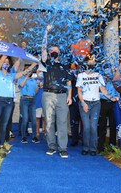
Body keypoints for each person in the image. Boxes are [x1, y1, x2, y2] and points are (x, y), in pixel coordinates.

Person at [0, 54, 36, 156]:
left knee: (4, 125)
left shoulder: (11, 75)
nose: (5, 64)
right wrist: (6, 52)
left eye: (7, 63)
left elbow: (25, 72)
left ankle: (1, 145)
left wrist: (33, 64)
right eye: (4, 62)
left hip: (9, 102)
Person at [77, 56, 119, 156]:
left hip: (96, 103)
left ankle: (93, 148)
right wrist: (83, 103)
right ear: (86, 65)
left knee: (93, 126)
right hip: (85, 103)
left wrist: (110, 97)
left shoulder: (98, 75)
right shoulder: (81, 76)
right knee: (86, 127)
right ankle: (85, 147)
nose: (92, 65)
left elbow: (102, 89)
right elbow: (79, 91)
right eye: (90, 63)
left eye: (93, 63)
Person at [41, 24, 72, 158]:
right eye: (51, 50)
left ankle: (63, 148)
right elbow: (42, 49)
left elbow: (69, 82)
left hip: (61, 96)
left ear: (59, 53)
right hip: (48, 94)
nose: (53, 52)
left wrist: (69, 96)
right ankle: (51, 146)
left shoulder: (64, 66)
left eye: (56, 50)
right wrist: (45, 33)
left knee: (62, 122)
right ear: (49, 53)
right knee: (49, 122)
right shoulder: (46, 62)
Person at [97, 63, 120, 152]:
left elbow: (119, 89)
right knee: (102, 125)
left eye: (109, 69)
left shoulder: (115, 78)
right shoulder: (100, 78)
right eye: (106, 69)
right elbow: (98, 91)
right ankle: (100, 146)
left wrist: (113, 81)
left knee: (113, 125)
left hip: (114, 104)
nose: (108, 70)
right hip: (103, 103)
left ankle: (113, 145)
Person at [18, 66, 39, 144]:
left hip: (32, 100)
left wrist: (38, 86)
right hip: (24, 99)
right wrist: (26, 77)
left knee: (33, 119)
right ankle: (23, 136)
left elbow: (36, 91)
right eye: (27, 71)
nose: (29, 72)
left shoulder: (33, 80)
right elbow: (21, 86)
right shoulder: (21, 78)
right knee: (25, 118)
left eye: (30, 71)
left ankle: (34, 136)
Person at [69, 62, 81, 146]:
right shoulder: (71, 74)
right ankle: (74, 139)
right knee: (73, 120)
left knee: (84, 121)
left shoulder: (85, 74)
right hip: (73, 100)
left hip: (84, 100)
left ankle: (84, 138)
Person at [35, 69, 46, 139]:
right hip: (37, 102)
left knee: (45, 118)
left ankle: (45, 132)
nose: (40, 73)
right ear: (36, 72)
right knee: (37, 118)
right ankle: (37, 133)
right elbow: (34, 92)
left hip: (45, 103)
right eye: (39, 71)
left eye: (41, 72)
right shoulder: (34, 80)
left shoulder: (47, 80)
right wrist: (38, 86)